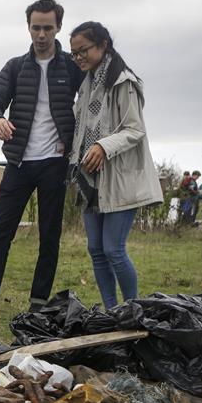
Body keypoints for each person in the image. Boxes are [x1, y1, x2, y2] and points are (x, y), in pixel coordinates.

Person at [0, 0, 84, 320]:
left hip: (55, 163)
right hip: (19, 163)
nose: (41, 34)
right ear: (28, 27)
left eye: (47, 28)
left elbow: (95, 102)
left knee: (50, 236)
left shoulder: (72, 67)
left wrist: (77, 141)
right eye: (35, 27)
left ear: (58, 28)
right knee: (0, 234)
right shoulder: (14, 67)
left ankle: (39, 305)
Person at [67, 21, 162, 309]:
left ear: (103, 44)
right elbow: (81, 128)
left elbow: (135, 129)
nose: (79, 58)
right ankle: (111, 311)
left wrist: (102, 146)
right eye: (74, 53)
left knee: (114, 250)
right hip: (91, 178)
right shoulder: (86, 84)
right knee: (96, 249)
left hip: (120, 178)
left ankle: (132, 311)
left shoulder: (124, 81)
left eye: (83, 50)